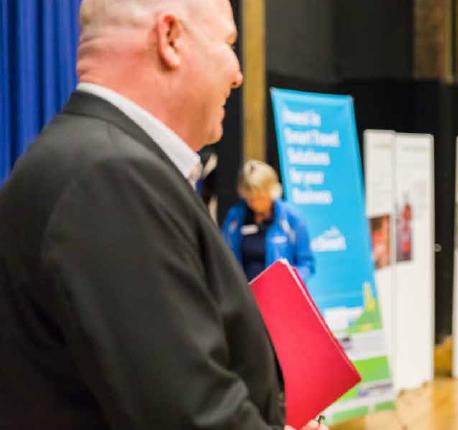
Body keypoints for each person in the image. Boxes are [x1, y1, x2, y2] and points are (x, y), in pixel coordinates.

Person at [0, 1, 326, 429]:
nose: (237, 72)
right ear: (170, 39)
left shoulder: (96, 163)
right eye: (228, 44)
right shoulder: (109, 178)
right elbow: (191, 415)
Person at [222, 160, 315, 282]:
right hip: (245, 294)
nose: (255, 204)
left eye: (260, 198)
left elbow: (307, 265)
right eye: (250, 199)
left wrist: (288, 281)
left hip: (278, 294)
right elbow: (224, 258)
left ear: (272, 192)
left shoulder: (291, 218)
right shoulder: (235, 217)